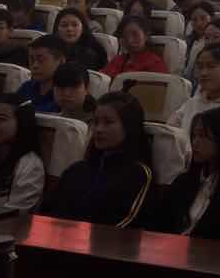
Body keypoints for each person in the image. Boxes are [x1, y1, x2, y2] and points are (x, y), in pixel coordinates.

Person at [144, 106, 220, 241]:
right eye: (194, 135)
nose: (194, 142)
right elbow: (158, 222)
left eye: (202, 136)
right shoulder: (184, 181)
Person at [43, 92, 153, 227]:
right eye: (96, 122)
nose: (99, 129)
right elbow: (48, 211)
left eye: (108, 122)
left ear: (129, 127)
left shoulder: (138, 174)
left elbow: (125, 224)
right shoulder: (77, 170)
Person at [102, 16, 166, 78]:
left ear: (146, 35)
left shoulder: (154, 63)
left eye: (135, 34)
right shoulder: (117, 60)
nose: (130, 40)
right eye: (125, 35)